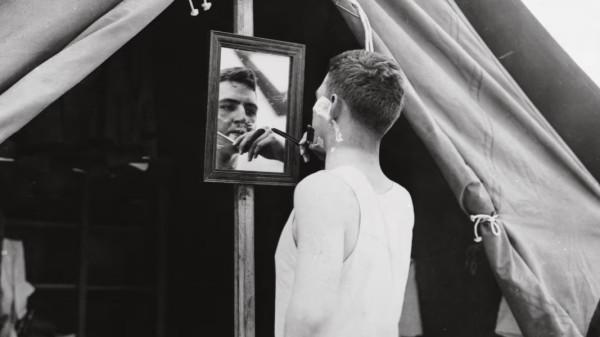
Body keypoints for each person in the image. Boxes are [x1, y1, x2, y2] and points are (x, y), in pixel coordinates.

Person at [274, 50, 414, 337]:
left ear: (333, 105)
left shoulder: (323, 190)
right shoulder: (401, 199)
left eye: (318, 98)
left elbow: (308, 319)